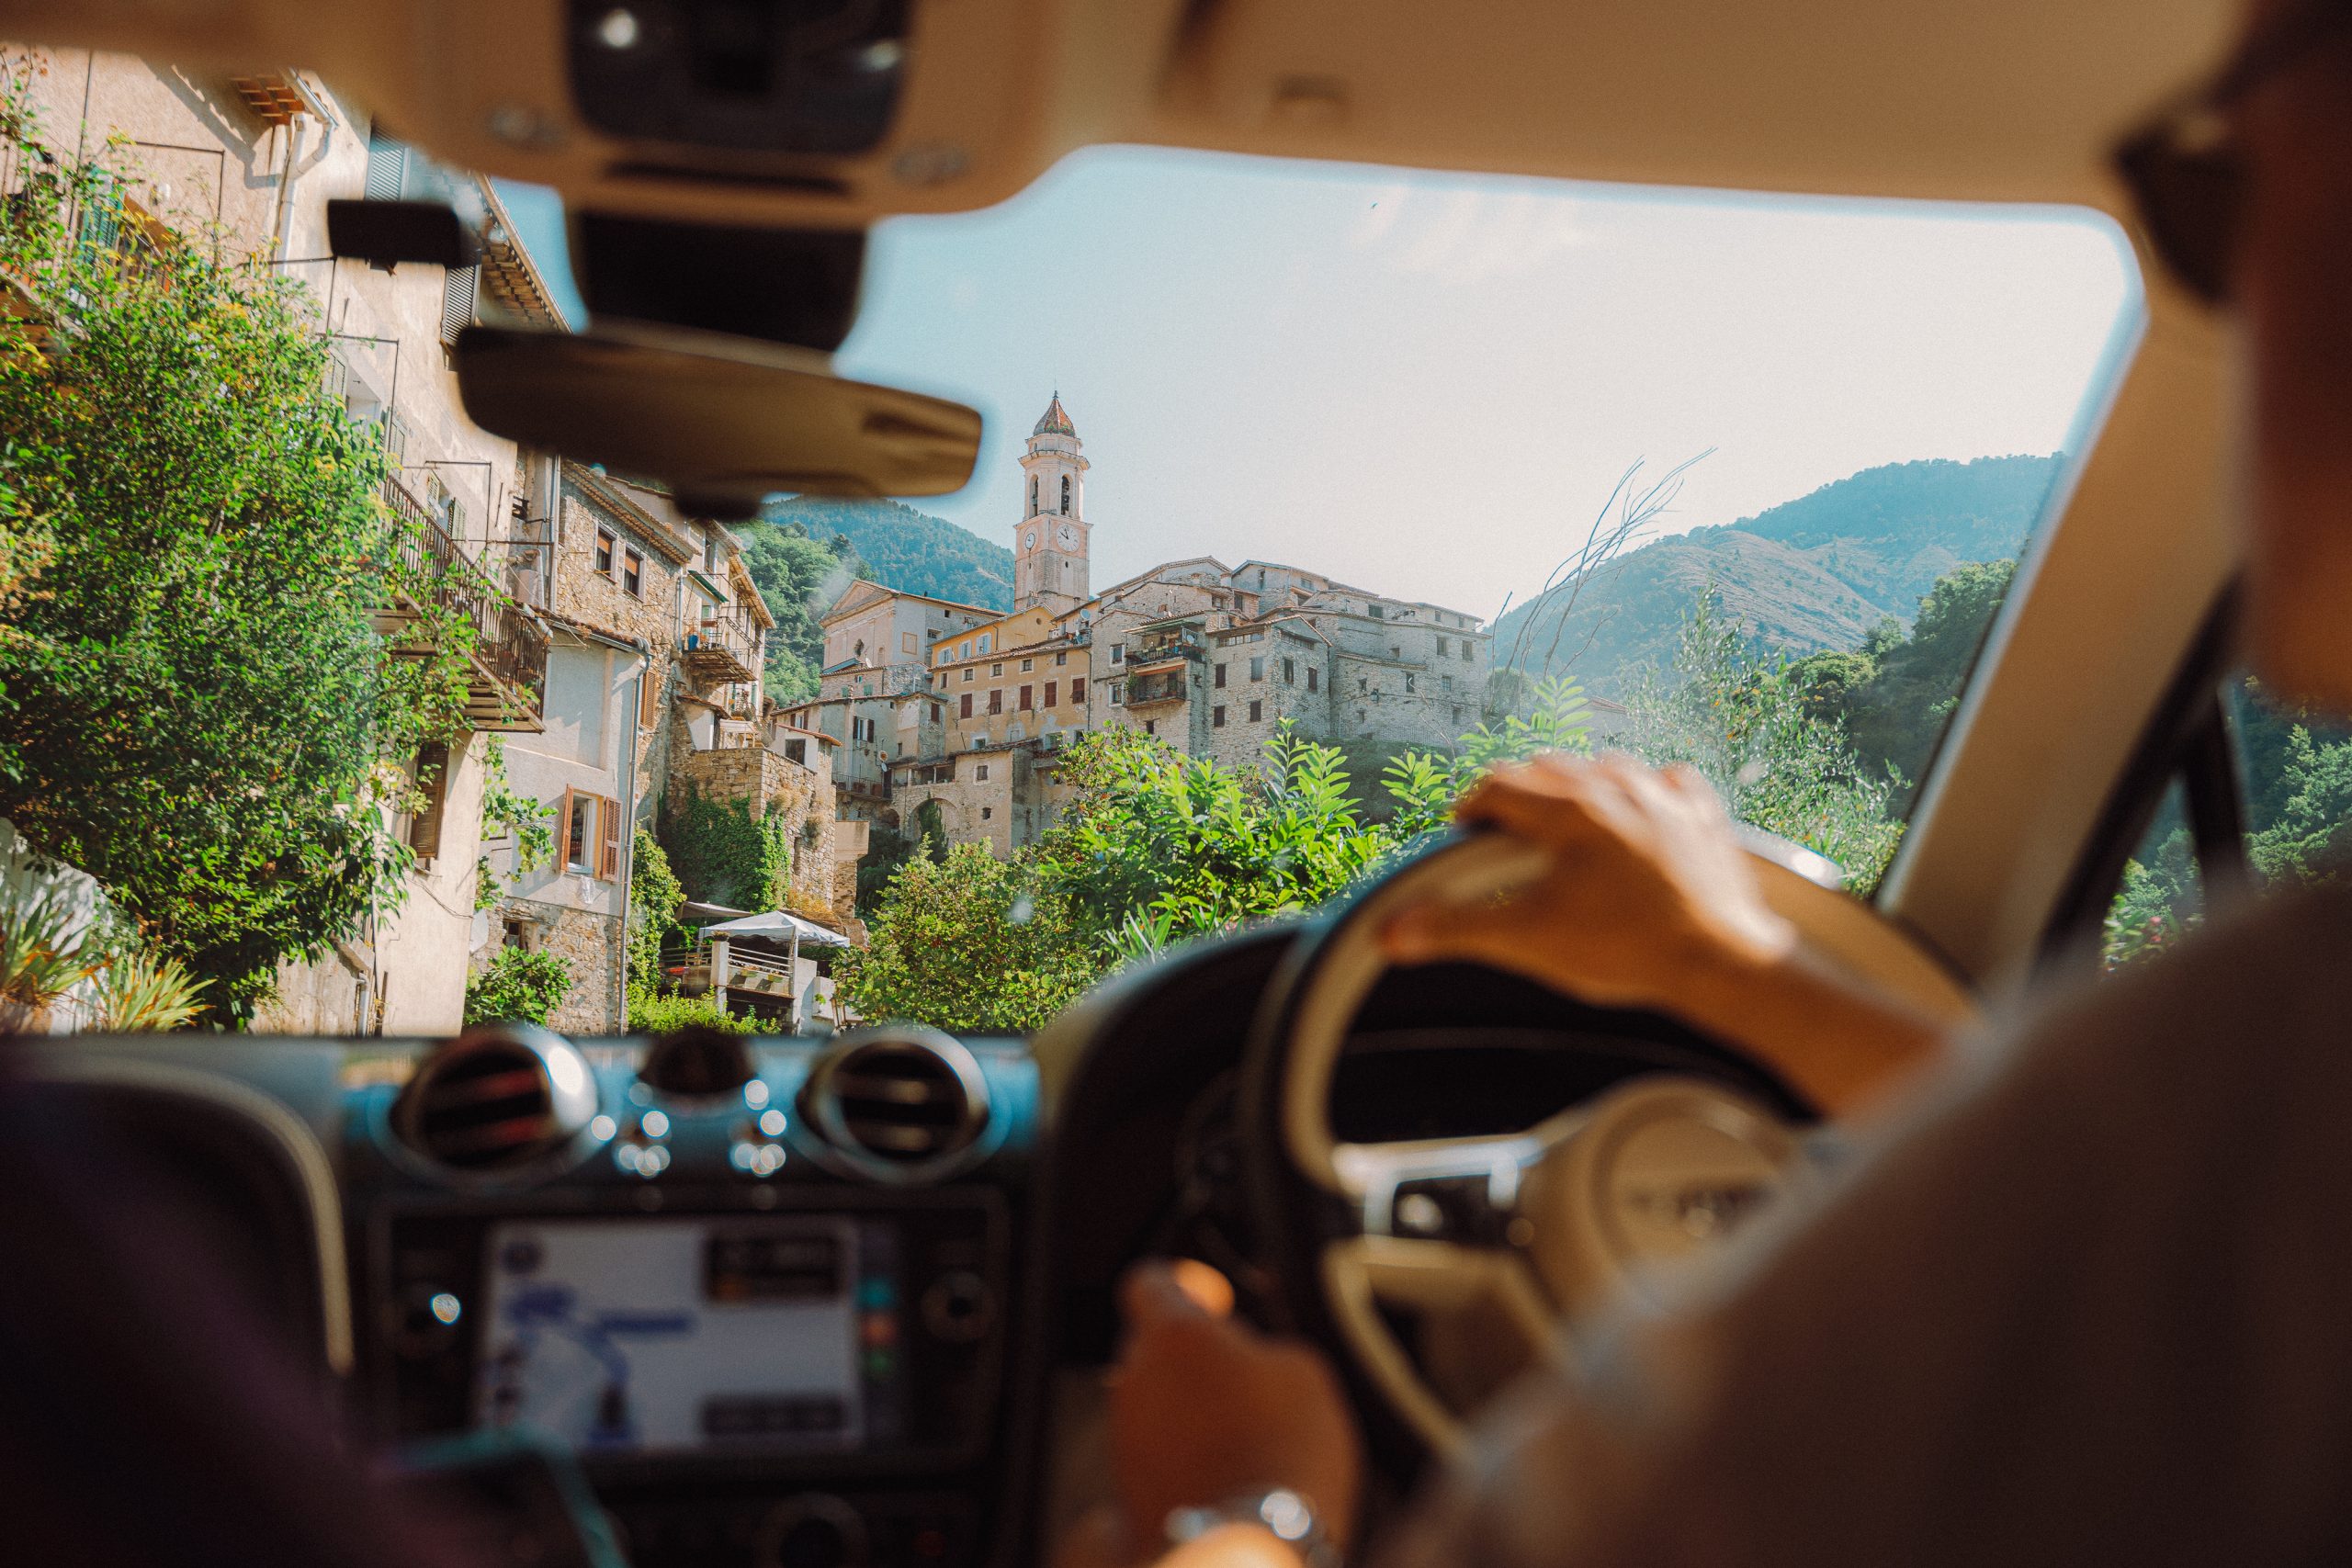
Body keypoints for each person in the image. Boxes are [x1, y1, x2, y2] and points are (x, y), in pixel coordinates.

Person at [1060, 2, 2352, 1564]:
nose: (2244, 297)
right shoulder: (2274, 1080)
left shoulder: (2291, 1032)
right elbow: (2128, 1227)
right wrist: (1734, 969)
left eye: (2214, 209)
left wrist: (1238, 1505)